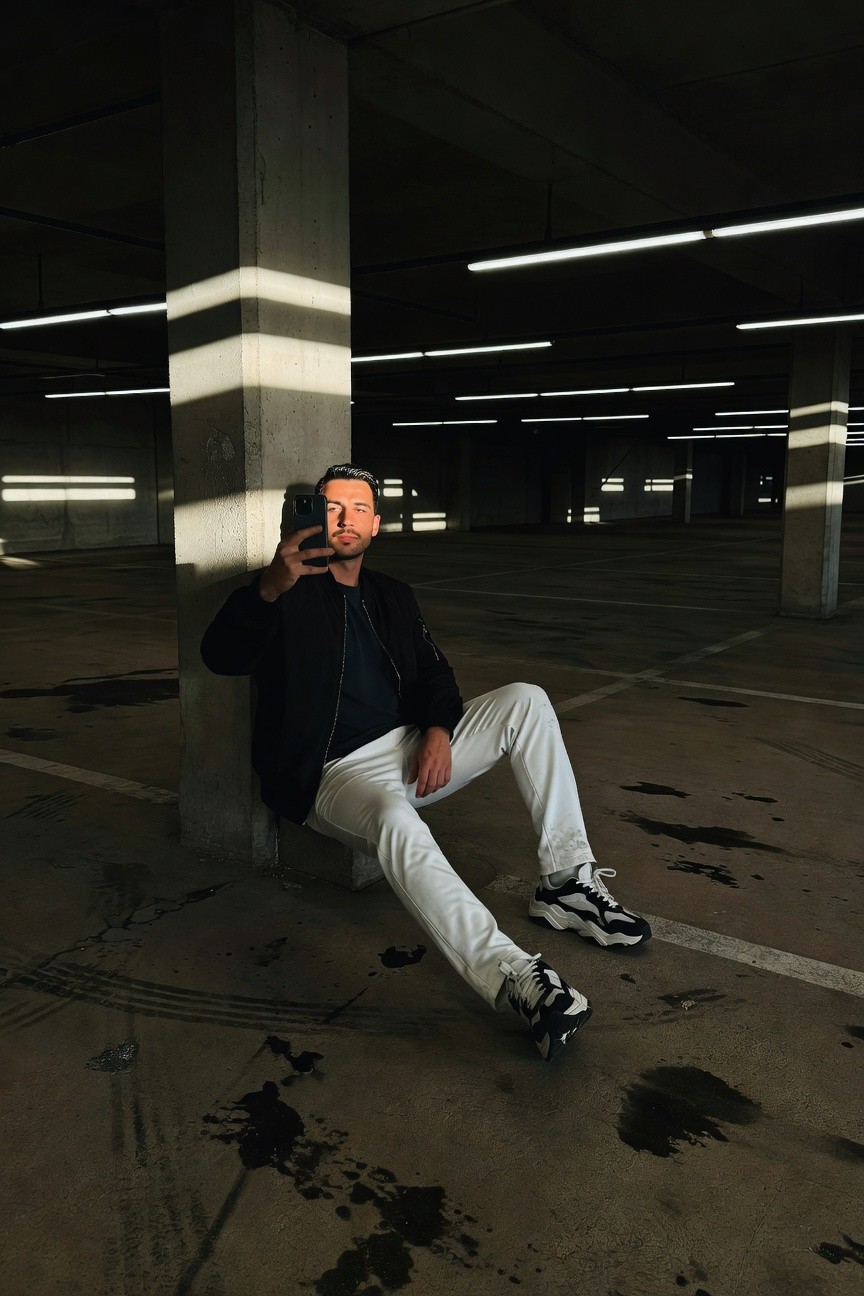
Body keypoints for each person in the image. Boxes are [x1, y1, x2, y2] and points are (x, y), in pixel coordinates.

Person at [201, 463, 651, 1061]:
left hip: (411, 748)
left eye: (359, 509)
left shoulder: (392, 594)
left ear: (376, 525)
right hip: (333, 775)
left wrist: (439, 729)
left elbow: (436, 673)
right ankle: (514, 976)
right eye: (333, 507)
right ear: (311, 517)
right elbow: (220, 658)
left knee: (526, 700)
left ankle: (567, 883)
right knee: (395, 818)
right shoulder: (283, 591)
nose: (345, 519)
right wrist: (267, 589)